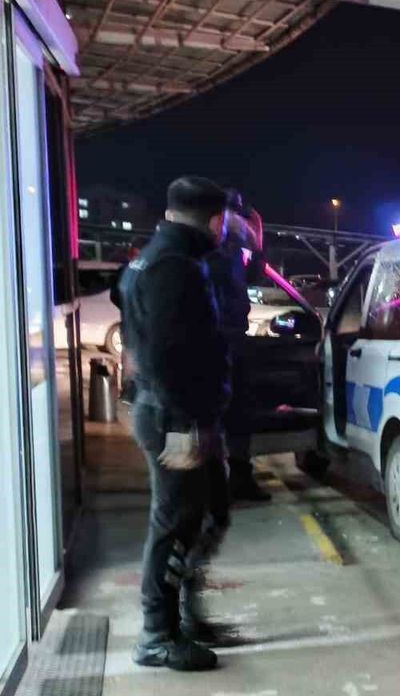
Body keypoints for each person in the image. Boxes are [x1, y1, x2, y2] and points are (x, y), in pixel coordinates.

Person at [119, 176, 232, 671]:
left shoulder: (152, 259)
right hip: (175, 416)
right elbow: (165, 355)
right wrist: (185, 425)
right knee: (174, 523)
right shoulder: (174, 266)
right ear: (214, 220)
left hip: (173, 411)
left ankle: (185, 617)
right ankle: (157, 635)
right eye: (224, 222)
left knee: (209, 512)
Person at [205, 192, 270, 502]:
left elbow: (255, 276)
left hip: (235, 338)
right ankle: (212, 484)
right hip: (211, 341)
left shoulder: (233, 252)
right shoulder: (206, 252)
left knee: (240, 413)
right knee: (211, 415)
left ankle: (240, 478)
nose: (239, 224)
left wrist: (258, 243)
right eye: (234, 217)